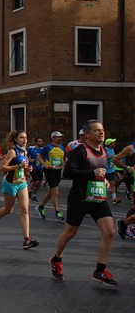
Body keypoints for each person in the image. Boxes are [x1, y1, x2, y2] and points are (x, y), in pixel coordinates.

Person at [49, 120, 118, 286]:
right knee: (70, 232)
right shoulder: (80, 150)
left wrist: (105, 180)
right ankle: (56, 259)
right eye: (96, 130)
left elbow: (99, 173)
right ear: (87, 134)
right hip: (79, 198)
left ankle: (100, 270)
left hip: (97, 197)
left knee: (110, 232)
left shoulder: (102, 150)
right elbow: (68, 172)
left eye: (102, 130)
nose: (101, 133)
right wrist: (92, 173)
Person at [0, 131, 39, 249]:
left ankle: (26, 239)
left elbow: (24, 167)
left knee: (24, 210)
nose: (24, 140)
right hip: (10, 183)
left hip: (22, 183)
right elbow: (1, 167)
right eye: (21, 138)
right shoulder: (12, 152)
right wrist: (18, 166)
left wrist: (27, 170)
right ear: (16, 139)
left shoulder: (25, 151)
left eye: (25, 137)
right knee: (8, 209)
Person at [36, 131, 67, 222]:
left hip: (58, 171)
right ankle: (57, 212)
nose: (60, 139)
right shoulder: (47, 147)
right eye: (58, 137)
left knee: (51, 192)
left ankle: (41, 207)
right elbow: (39, 157)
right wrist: (45, 165)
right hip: (49, 171)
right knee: (56, 191)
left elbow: (65, 159)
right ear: (53, 138)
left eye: (61, 137)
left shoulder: (62, 148)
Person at [27, 137, 44, 201]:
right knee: (36, 181)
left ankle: (34, 195)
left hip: (40, 167)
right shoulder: (31, 148)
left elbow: (44, 157)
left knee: (39, 182)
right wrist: (30, 160)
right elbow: (26, 155)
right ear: (36, 142)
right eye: (39, 141)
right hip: (33, 167)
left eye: (41, 141)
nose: (41, 142)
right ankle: (30, 191)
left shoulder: (42, 149)